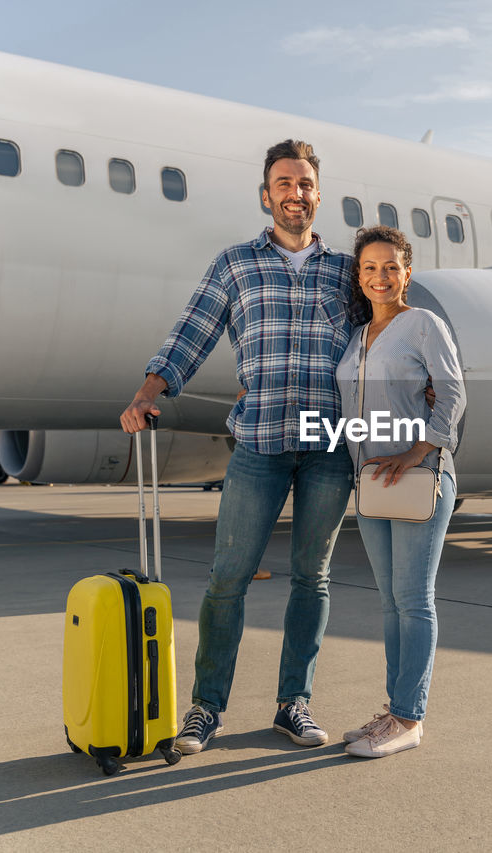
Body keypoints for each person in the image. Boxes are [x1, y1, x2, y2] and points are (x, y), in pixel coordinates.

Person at [120, 139, 363, 754]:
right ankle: (206, 708)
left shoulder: (345, 271)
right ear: (266, 195)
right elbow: (191, 333)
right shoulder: (235, 265)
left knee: (314, 577)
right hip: (258, 439)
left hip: (328, 442)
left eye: (305, 183)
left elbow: (382, 339)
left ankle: (294, 703)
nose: (295, 193)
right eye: (283, 183)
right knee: (228, 577)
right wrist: (150, 391)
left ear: (318, 195)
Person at [334, 226, 466, 758]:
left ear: (407, 272)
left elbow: (452, 390)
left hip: (418, 477)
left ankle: (409, 718)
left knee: (414, 601)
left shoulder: (423, 324)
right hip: (371, 484)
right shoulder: (357, 337)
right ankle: (393, 709)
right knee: (390, 604)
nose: (380, 276)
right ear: (359, 276)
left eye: (391, 266)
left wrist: (418, 451)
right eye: (369, 267)